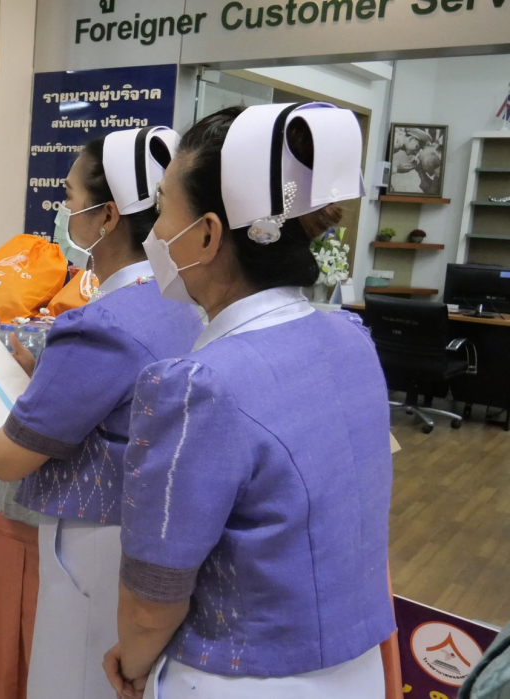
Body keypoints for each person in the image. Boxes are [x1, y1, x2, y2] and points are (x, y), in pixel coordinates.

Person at [0, 127, 203, 699]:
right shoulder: (180, 302)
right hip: (152, 534)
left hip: (98, 543)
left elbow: (7, 459)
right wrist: (49, 379)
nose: (63, 210)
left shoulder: (103, 324)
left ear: (106, 216)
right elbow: (127, 405)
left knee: (74, 678)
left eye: (68, 197)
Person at [103, 103, 395, 698]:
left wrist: (131, 662)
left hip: (236, 678)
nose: (155, 232)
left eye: (162, 207)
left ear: (208, 234)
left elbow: (152, 597)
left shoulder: (196, 384)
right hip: (358, 670)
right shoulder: (350, 337)